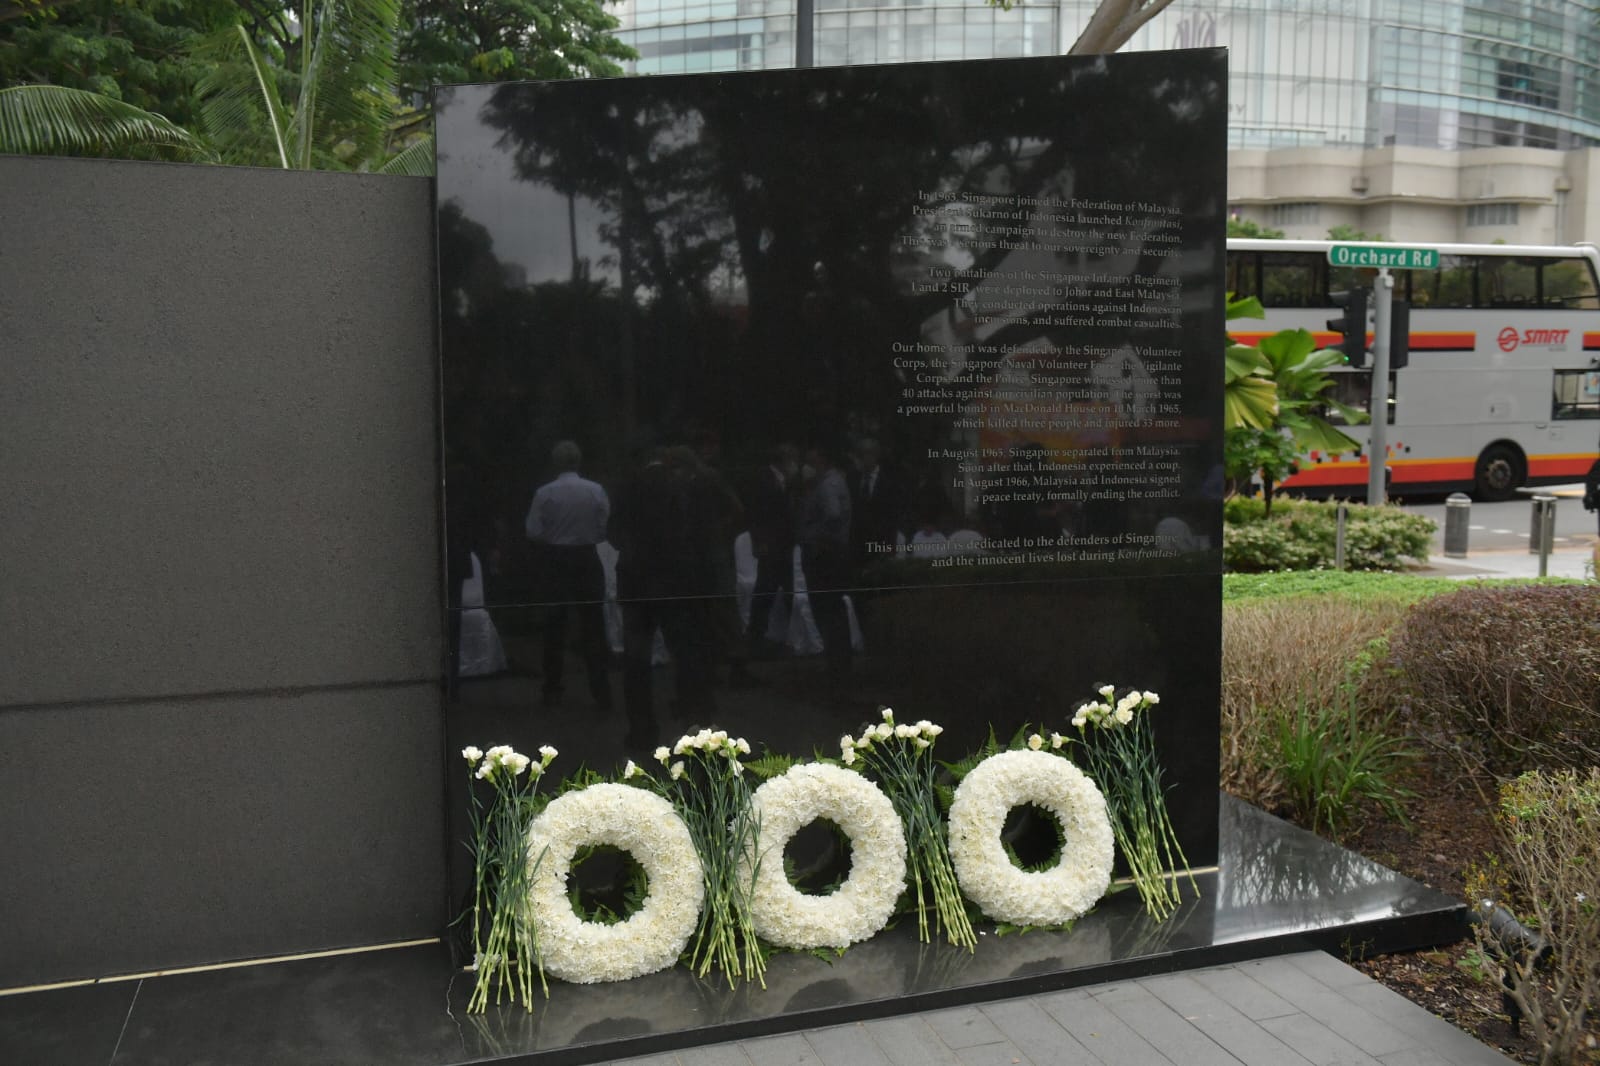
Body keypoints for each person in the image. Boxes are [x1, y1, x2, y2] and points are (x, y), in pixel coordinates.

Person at [525, 440, 612, 708]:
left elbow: (533, 530)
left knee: (554, 626)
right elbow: (604, 524)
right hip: (586, 556)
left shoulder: (545, 492)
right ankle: (601, 689)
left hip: (556, 559)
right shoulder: (595, 490)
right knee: (593, 625)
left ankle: (552, 688)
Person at [796, 442, 853, 687]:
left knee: (828, 609)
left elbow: (833, 514)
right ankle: (837, 662)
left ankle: (838, 665)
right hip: (827, 553)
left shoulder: (829, 483)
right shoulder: (825, 482)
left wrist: (816, 536)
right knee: (829, 610)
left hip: (826, 556)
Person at [743, 443, 798, 654]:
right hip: (771, 544)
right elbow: (757, 512)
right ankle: (756, 636)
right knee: (765, 590)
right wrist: (759, 541)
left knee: (784, 589)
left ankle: (787, 635)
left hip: (783, 544)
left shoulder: (783, 480)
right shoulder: (764, 478)